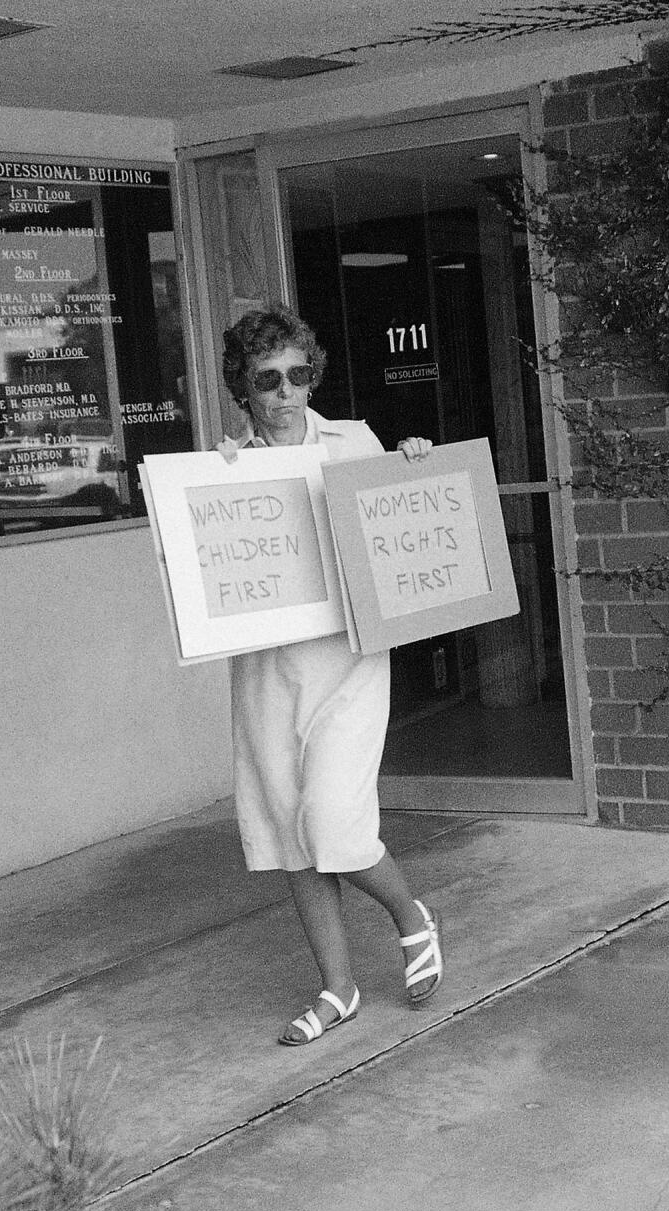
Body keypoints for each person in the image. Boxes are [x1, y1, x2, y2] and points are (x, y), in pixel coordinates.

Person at [217, 304, 444, 1046]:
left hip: (348, 658)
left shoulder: (355, 441)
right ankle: (337, 987)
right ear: (244, 389)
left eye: (298, 374)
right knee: (290, 829)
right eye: (268, 378)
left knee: (333, 820)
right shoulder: (227, 469)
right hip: (267, 668)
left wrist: (415, 462)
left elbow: (397, 518)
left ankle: (410, 914)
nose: (287, 392)